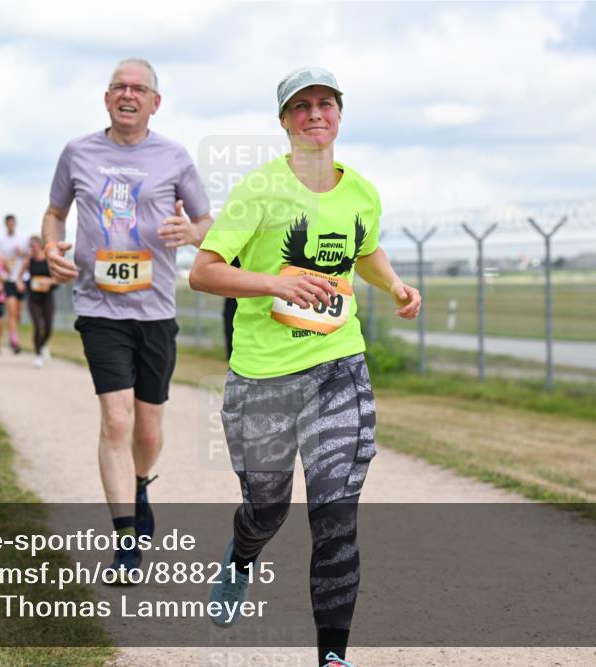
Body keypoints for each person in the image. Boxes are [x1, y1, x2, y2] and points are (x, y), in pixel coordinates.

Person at [188, 67, 422, 667]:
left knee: (336, 516)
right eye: (302, 106)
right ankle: (241, 558)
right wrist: (275, 283)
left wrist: (395, 284)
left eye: (326, 103)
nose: (315, 114)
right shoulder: (259, 190)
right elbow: (205, 272)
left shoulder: (362, 191)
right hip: (262, 377)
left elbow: (365, 249)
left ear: (340, 114)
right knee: (266, 506)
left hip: (338, 367)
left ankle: (332, 657)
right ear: (284, 121)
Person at [43, 57, 213, 582]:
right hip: (99, 307)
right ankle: (125, 544)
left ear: (155, 103)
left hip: (156, 310)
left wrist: (193, 233)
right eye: (119, 86)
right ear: (106, 97)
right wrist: (51, 245)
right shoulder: (78, 152)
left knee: (148, 428)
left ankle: (139, 485)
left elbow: (207, 222)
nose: (128, 94)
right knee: (116, 420)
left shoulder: (174, 157)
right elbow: (54, 213)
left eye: (139, 89)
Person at [0, 213, 29, 354]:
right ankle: (14, 340)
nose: (11, 225)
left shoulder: (23, 238)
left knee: (18, 313)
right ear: (6, 224)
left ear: (15, 223)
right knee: (12, 310)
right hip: (8, 278)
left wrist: (21, 253)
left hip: (21, 278)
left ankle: (12, 333)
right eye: (9, 223)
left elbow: (28, 257)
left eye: (13, 223)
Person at [21, 236, 56, 368]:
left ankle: (42, 345)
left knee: (48, 327)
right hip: (33, 297)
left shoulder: (49, 260)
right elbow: (20, 277)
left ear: (40, 246)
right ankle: (38, 355)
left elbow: (57, 278)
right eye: (30, 245)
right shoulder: (28, 261)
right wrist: (20, 283)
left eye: (34, 245)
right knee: (37, 325)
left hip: (47, 297)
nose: (32, 248)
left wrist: (49, 281)